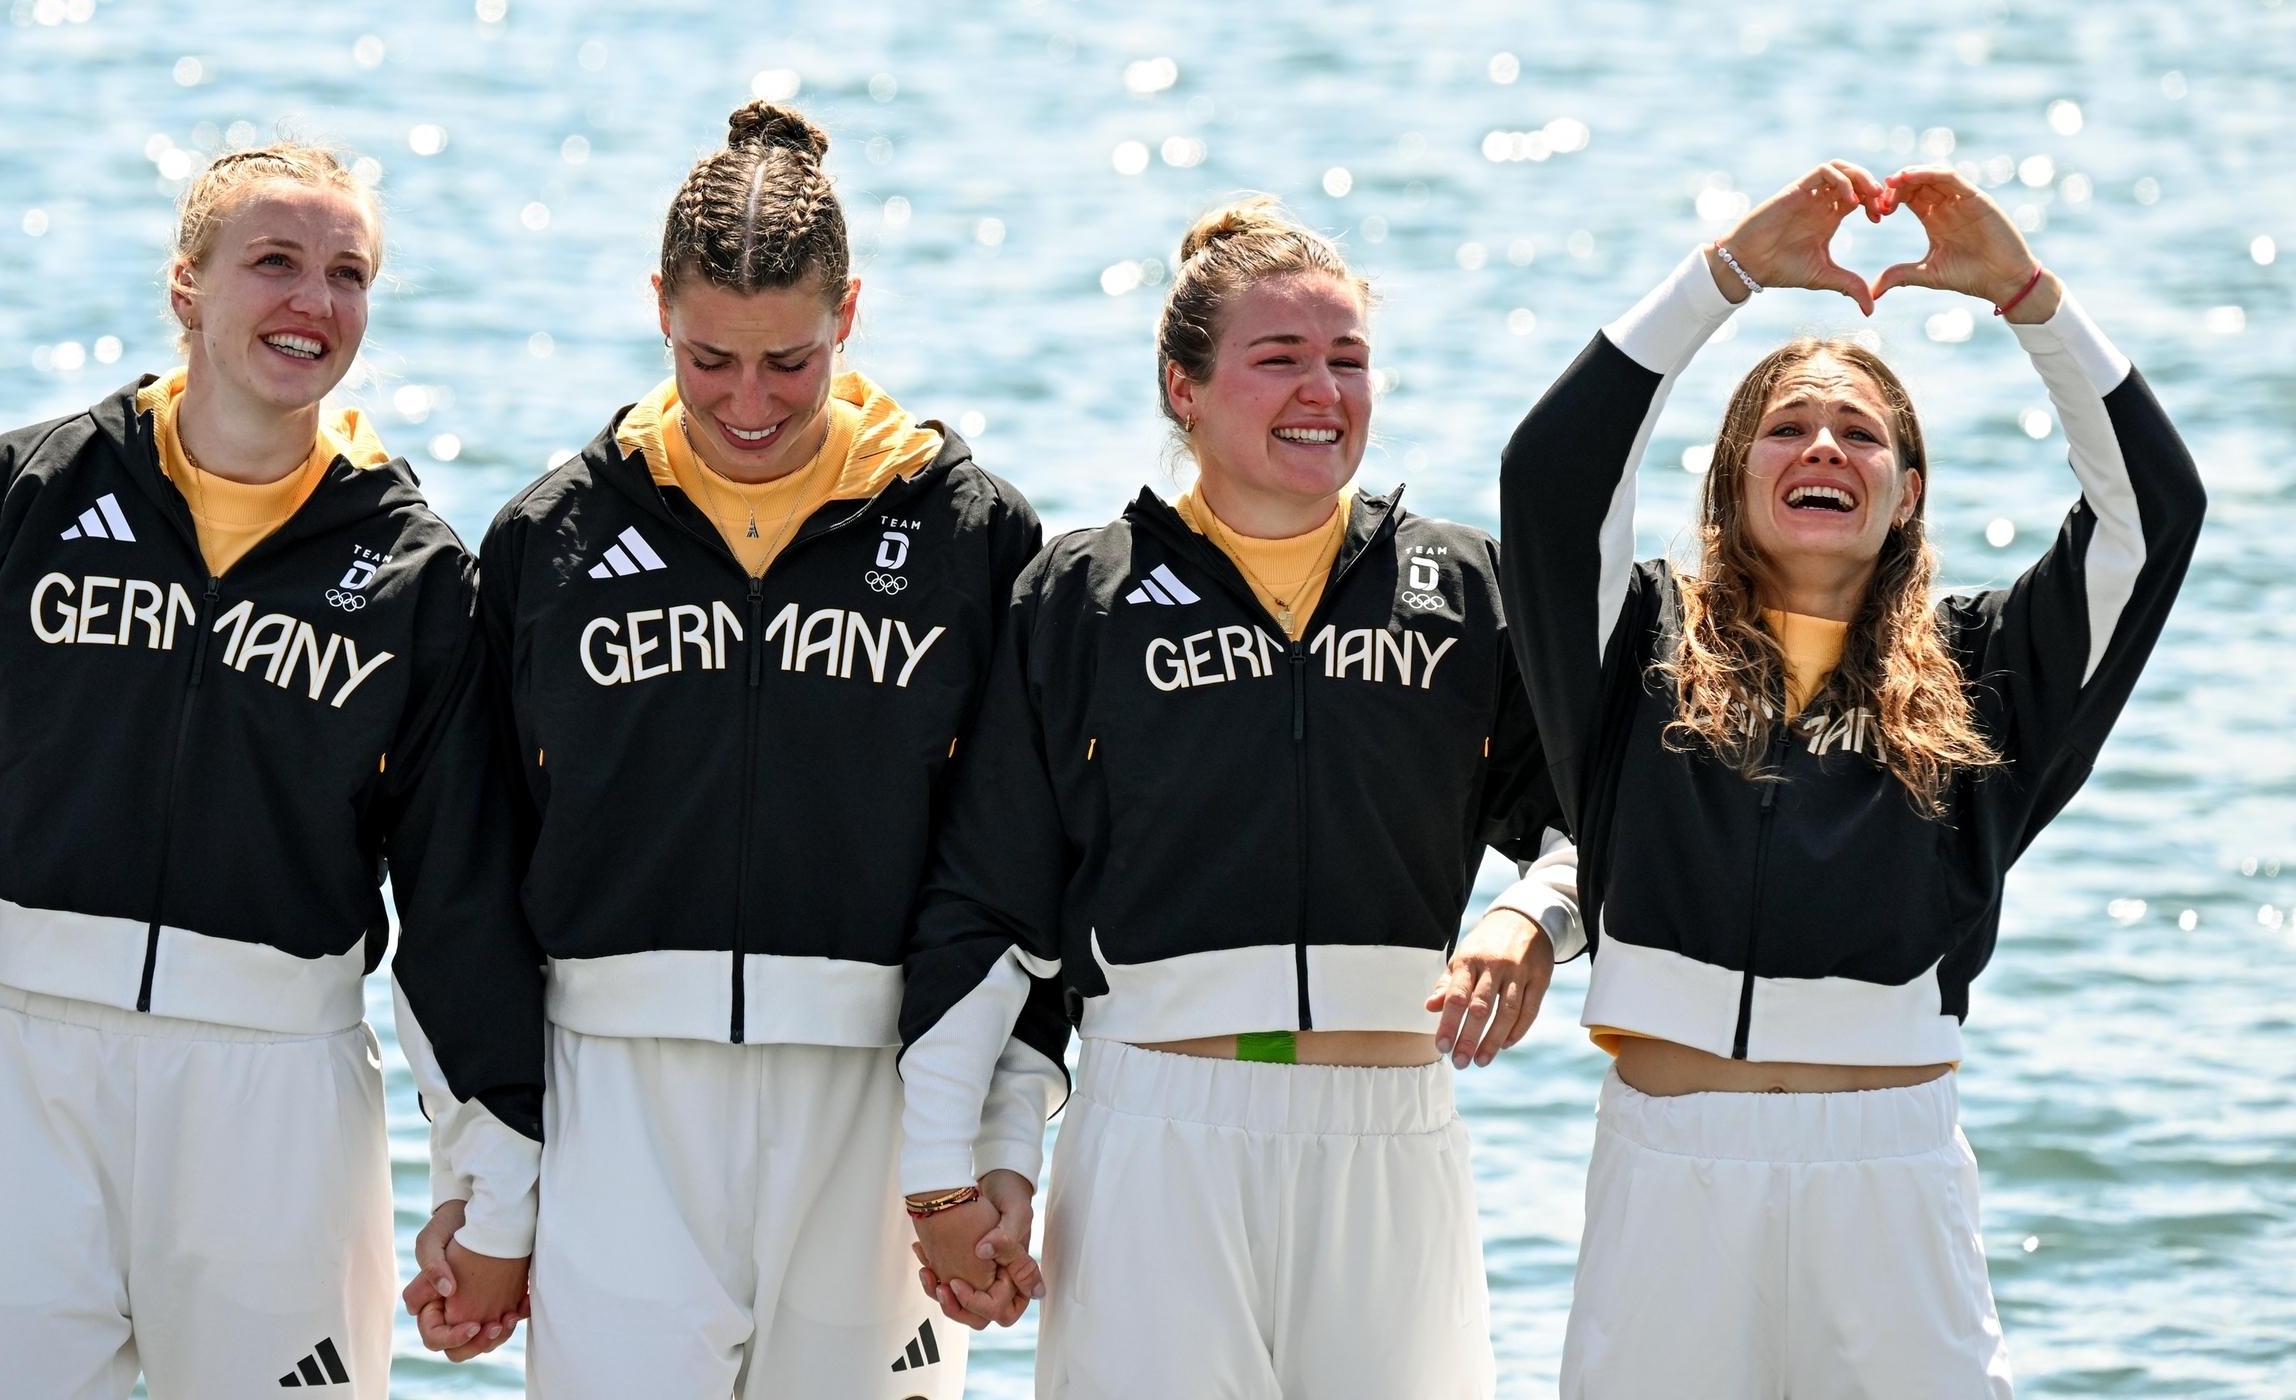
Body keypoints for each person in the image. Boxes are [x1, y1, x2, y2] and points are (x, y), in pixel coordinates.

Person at [1497, 162, 2204, 1396]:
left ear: (1906, 492)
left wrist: (2028, 299)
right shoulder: (1635, 647)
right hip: (1674, 1169)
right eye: (1785, 428)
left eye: (1860, 434)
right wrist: (1723, 274)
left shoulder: (1988, 675)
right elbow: (1554, 479)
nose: (1823, 445)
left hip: (1888, 1175)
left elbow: (2150, 517)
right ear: (1731, 477)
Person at [0, 141, 544, 1397]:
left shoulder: (416, 576)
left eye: (348, 274)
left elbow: (458, 909)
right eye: (272, 262)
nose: (313, 303)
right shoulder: (20, 497)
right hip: (27, 1091)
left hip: (276, 1106)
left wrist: (487, 1193)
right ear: (187, 285)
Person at [403, 99, 1047, 1398]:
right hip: (617, 1111)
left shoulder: (971, 538)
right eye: (710, 361)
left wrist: (991, 1143)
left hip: (875, 1108)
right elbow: (462, 880)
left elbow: (1022, 868)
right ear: (658, 309)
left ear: (848, 314)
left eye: (790, 362)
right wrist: (487, 1193)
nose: (748, 403)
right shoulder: (552, 540)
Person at [896, 197, 1581, 1399]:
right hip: (1158, 1134)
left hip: (1393, 1132)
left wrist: (1532, 919)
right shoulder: (1081, 597)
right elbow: (994, 910)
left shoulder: (1461, 586)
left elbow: (1597, 826)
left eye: (1348, 361)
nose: (1323, 391)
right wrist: (958, 1169)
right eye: (1279, 360)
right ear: (1185, 388)